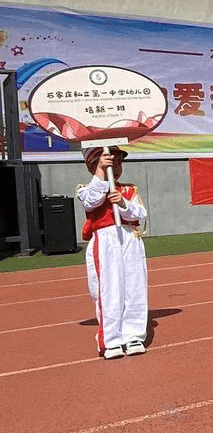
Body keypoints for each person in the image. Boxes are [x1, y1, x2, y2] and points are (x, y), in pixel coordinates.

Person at [78, 146, 148, 359]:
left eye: (118, 163)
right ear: (93, 165)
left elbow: (141, 213)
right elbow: (91, 201)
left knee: (135, 286)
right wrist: (101, 172)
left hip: (130, 238)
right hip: (105, 240)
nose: (115, 168)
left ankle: (133, 335)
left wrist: (124, 203)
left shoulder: (129, 189)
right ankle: (111, 339)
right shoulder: (86, 188)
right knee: (109, 288)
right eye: (110, 163)